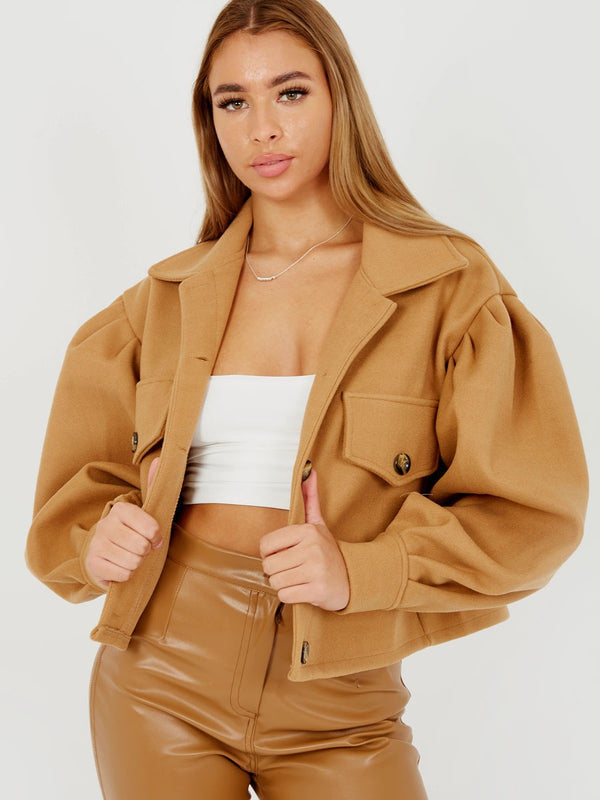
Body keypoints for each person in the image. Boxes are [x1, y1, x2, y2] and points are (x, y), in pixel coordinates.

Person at [25, 0, 588, 798]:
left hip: (344, 701)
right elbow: (66, 515)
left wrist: (362, 569)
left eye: (290, 92)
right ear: (210, 121)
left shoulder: (448, 289)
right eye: (233, 102)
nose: (262, 129)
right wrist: (96, 542)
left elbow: (535, 514)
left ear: (339, 99)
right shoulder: (157, 305)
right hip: (159, 678)